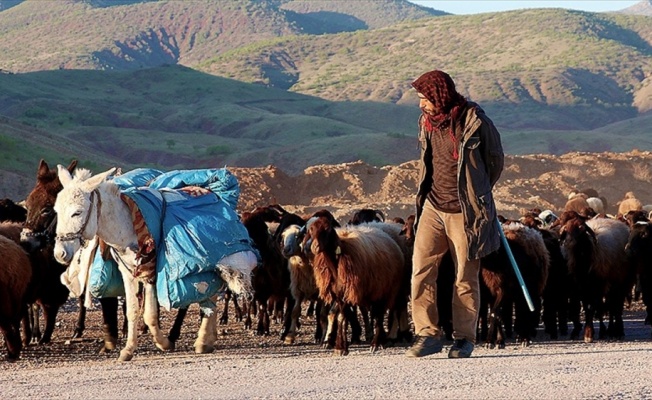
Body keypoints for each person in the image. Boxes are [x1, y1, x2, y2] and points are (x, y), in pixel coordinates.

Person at [405, 70, 504, 359]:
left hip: (465, 211)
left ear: (439, 96)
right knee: (421, 270)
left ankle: (464, 338)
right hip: (432, 207)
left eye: (425, 99)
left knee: (464, 275)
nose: (421, 104)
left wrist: (478, 192)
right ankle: (427, 334)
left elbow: (495, 160)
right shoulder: (426, 122)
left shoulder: (474, 121)